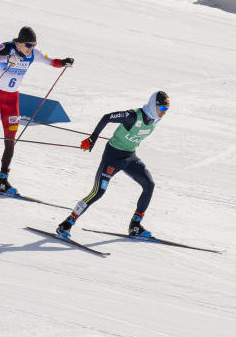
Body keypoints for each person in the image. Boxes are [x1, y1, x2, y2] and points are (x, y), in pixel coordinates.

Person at [0, 26, 73, 194]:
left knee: (10, 141)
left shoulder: (33, 53)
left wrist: (63, 62)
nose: (30, 49)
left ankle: (3, 180)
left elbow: (51, 61)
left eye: (33, 45)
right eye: (28, 45)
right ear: (19, 43)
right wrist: (6, 59)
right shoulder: (6, 47)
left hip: (11, 102)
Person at [55, 91, 170, 239]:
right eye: (162, 109)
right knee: (98, 192)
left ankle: (135, 226)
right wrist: (92, 139)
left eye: (167, 110)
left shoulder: (155, 120)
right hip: (112, 157)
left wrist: (135, 140)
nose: (164, 113)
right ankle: (67, 223)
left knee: (149, 184)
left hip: (129, 157)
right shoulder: (133, 116)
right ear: (154, 105)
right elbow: (107, 117)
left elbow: (139, 133)